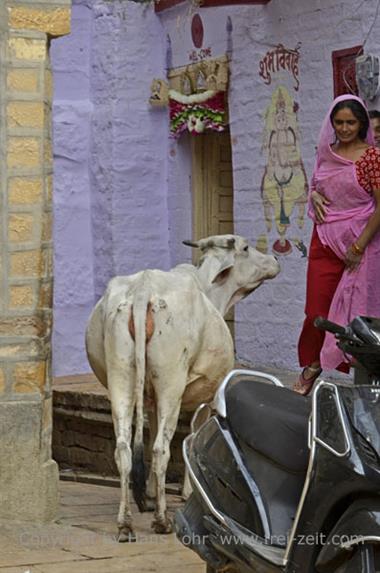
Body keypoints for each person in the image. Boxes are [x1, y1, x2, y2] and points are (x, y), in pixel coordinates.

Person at [294, 94, 380, 395]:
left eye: (351, 123)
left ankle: (363, 381)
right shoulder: (326, 152)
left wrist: (358, 247)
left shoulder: (372, 157)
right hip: (326, 241)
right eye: (339, 122)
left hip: (362, 243)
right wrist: (313, 196)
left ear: (361, 124)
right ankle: (313, 364)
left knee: (358, 312)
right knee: (316, 310)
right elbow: (318, 187)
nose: (344, 129)